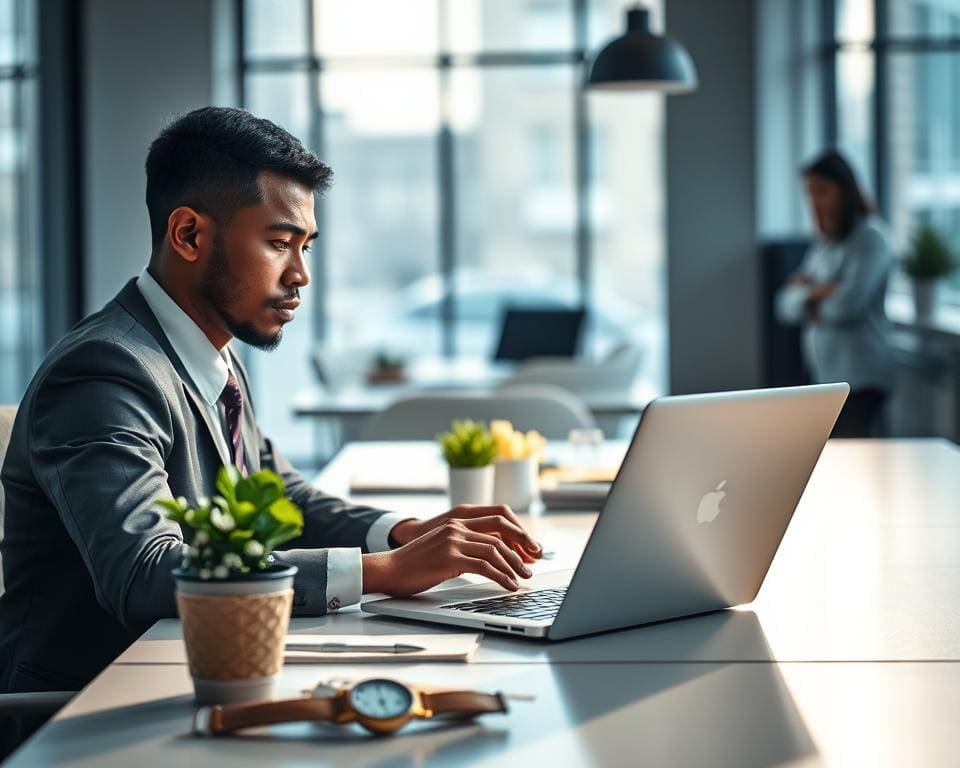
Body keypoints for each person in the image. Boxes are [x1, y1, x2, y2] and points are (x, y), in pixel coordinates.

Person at [0, 107, 541, 750]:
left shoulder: (211, 355)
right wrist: (383, 571)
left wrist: (404, 532)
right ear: (189, 235)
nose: (300, 274)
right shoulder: (104, 370)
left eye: (305, 247)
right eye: (280, 243)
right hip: (91, 718)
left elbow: (281, 494)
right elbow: (143, 573)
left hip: (199, 683)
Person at [776, 150, 893, 437]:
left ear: (844, 189)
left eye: (821, 191)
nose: (814, 201)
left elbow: (846, 306)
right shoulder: (826, 243)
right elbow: (784, 306)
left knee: (855, 455)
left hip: (862, 378)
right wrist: (817, 294)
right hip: (826, 377)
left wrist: (808, 294)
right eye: (809, 192)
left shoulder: (871, 238)